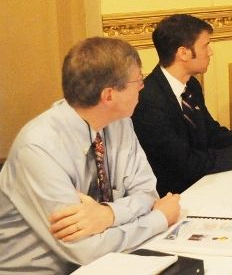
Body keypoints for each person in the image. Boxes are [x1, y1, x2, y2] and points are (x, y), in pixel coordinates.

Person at [0, 37, 181, 274]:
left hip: (107, 262)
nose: (142, 86)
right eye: (137, 80)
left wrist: (109, 214)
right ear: (108, 96)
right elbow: (84, 248)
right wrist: (158, 219)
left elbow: (147, 192)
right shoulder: (38, 148)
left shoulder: (120, 123)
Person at [132, 14, 232, 195]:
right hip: (176, 195)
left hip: (204, 183)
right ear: (184, 53)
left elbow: (211, 134)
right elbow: (184, 165)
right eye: (205, 45)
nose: (210, 52)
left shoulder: (191, 85)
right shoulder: (148, 100)